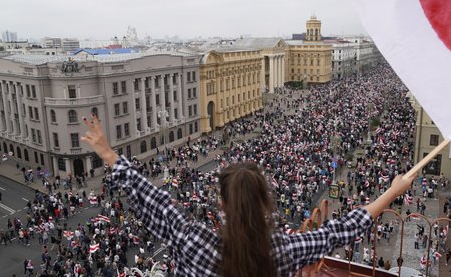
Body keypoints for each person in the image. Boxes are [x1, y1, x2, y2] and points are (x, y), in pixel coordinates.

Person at [81, 113, 415, 277]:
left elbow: (152, 199)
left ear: (222, 203)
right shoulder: (283, 250)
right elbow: (341, 230)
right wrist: (391, 192)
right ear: (265, 202)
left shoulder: (193, 239)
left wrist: (109, 155)